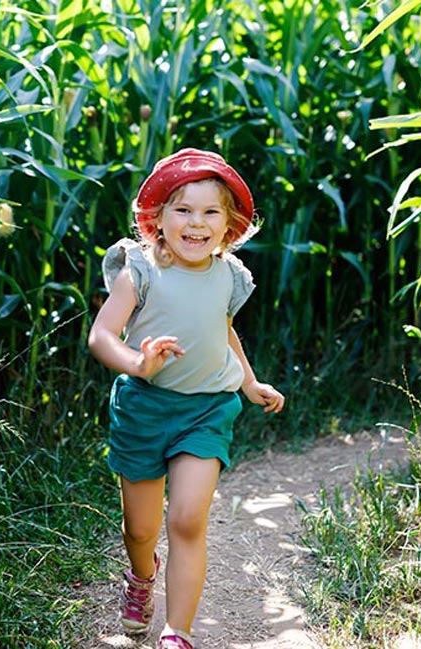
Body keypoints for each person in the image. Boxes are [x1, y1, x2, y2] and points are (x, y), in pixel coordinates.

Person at [88, 148, 285, 649]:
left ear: (229, 226)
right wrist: (137, 362)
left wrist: (248, 382)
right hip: (144, 408)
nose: (196, 223)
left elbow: (222, 332)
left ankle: (178, 632)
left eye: (210, 212)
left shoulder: (228, 275)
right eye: (183, 210)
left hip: (206, 410)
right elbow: (102, 336)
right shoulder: (142, 271)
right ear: (157, 219)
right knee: (141, 529)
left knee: (187, 518)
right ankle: (140, 575)